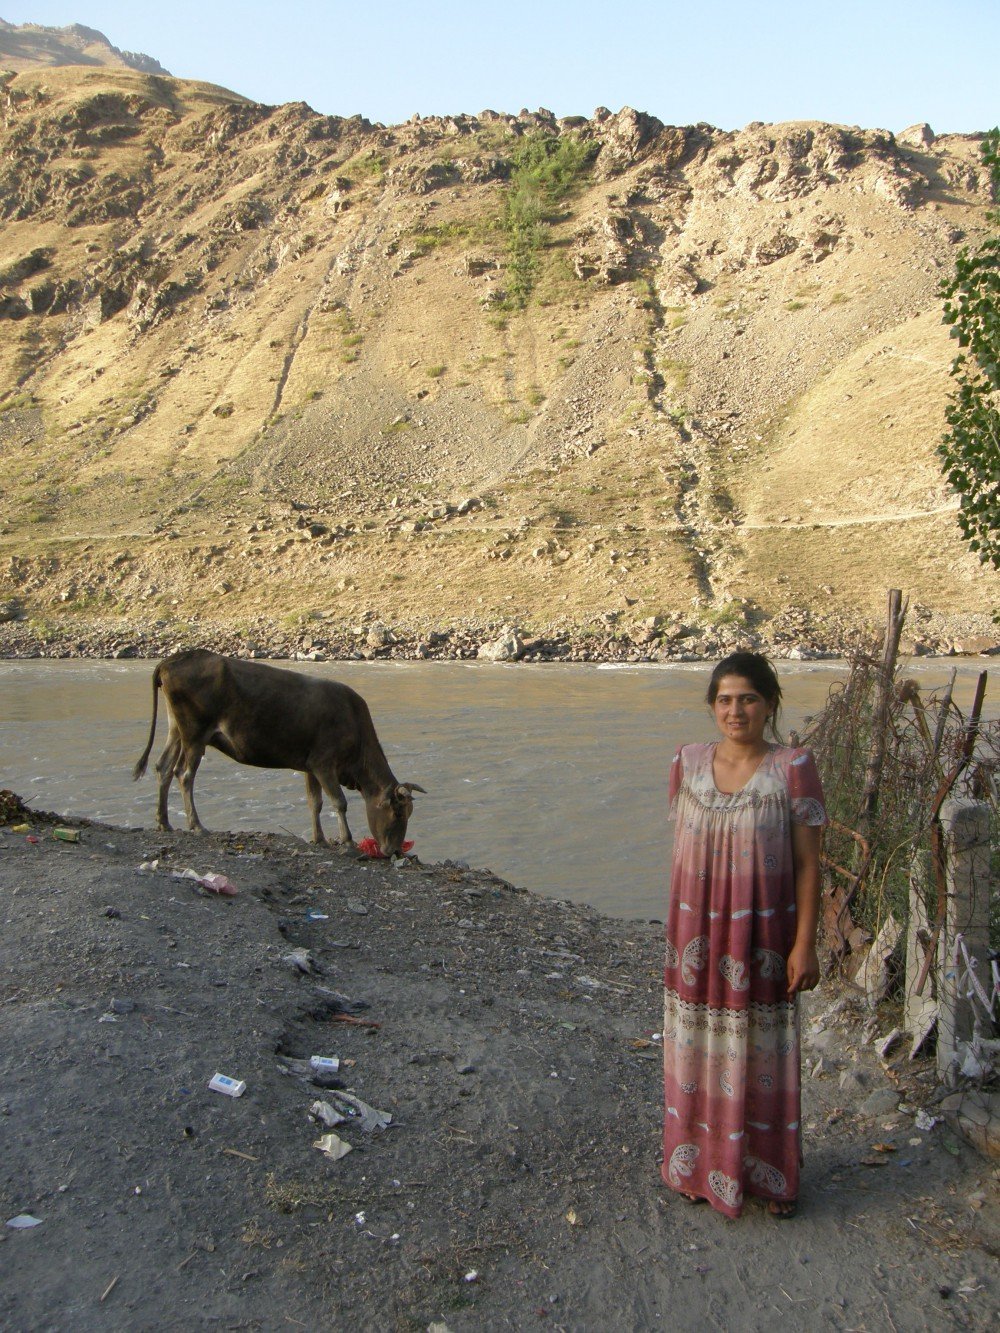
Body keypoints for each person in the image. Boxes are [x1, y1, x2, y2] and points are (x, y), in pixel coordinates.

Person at [661, 651, 827, 1219]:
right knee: (696, 1049)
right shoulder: (686, 762)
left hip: (762, 942)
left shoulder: (794, 767)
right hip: (695, 940)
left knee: (760, 1054)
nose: (737, 710)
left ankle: (770, 1177)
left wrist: (805, 943)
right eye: (726, 699)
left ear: (770, 704)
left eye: (749, 699)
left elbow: (808, 866)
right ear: (712, 707)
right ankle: (696, 1167)